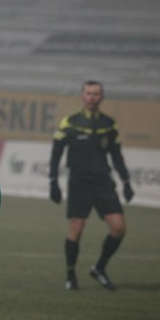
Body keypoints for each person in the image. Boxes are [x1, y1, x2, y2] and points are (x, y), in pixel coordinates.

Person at [49, 80, 134, 291]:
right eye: (88, 93)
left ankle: (99, 268)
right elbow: (56, 152)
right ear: (82, 96)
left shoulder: (109, 124)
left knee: (119, 228)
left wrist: (126, 182)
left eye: (96, 94)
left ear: (101, 97)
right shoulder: (70, 122)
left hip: (103, 182)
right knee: (76, 228)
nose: (92, 97)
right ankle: (70, 275)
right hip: (79, 183)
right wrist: (53, 182)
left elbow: (117, 156)